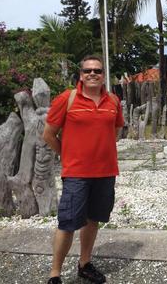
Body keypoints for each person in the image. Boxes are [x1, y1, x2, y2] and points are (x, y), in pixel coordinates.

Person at [43, 55, 124, 284]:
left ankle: (84, 263)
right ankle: (55, 274)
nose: (92, 74)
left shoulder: (113, 101)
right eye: (88, 70)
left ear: (103, 75)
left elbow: (114, 131)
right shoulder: (66, 99)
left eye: (97, 71)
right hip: (76, 174)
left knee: (93, 219)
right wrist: (67, 154)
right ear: (80, 75)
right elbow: (48, 134)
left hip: (106, 173)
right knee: (67, 223)